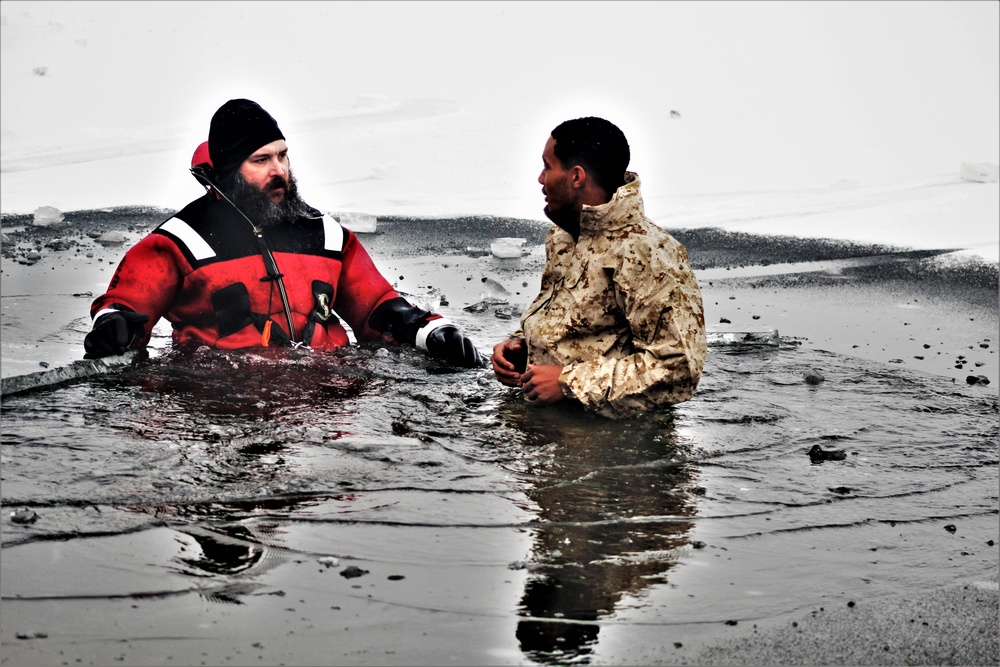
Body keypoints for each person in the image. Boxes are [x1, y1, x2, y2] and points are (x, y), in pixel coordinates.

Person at [84, 98, 484, 368]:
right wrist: (114, 326)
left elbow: (376, 305)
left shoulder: (327, 237)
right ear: (226, 173)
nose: (278, 170)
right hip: (222, 406)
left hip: (328, 411)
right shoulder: (178, 242)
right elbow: (127, 303)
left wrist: (430, 332)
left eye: (282, 155)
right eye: (260, 160)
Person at [491, 117, 706, 418]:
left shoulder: (648, 253)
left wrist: (568, 382)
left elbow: (678, 368)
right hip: (551, 429)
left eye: (547, 166)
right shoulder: (563, 236)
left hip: (617, 446)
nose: (541, 179)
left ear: (576, 176)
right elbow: (575, 326)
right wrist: (521, 345)